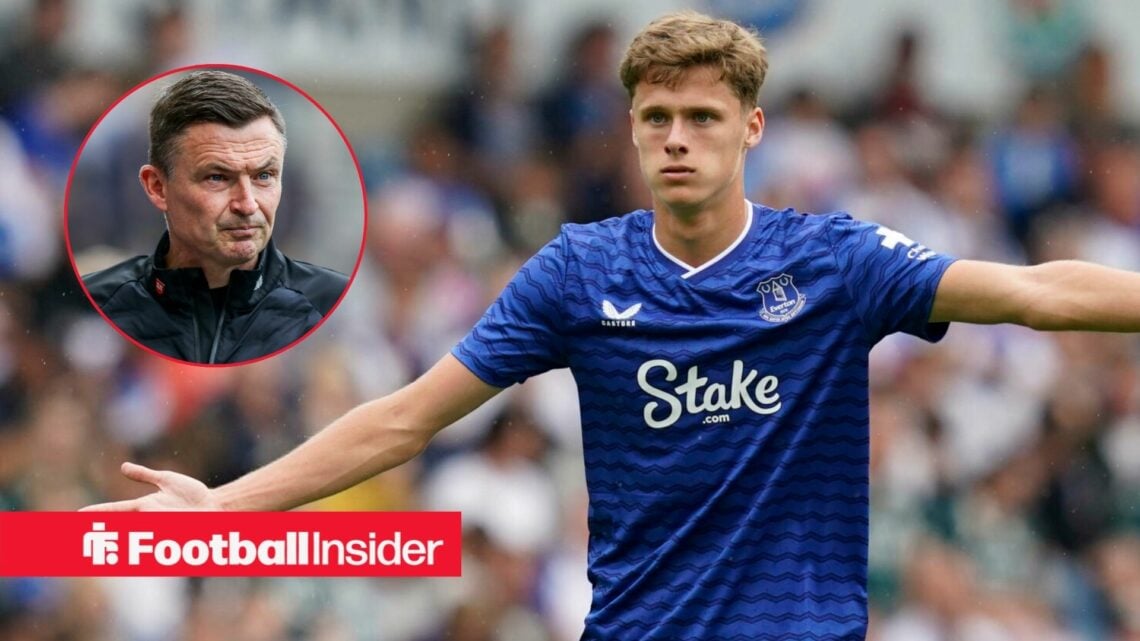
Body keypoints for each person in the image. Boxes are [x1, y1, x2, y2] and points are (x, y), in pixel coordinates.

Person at [84, 11, 1140, 640]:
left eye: (703, 119)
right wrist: (225, 502)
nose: (677, 139)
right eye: (656, 119)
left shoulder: (836, 262)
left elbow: (1037, 291)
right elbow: (405, 419)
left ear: (751, 129)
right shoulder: (581, 271)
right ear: (631, 126)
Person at [81, 70, 348, 364]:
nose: (247, 205)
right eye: (218, 177)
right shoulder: (104, 299)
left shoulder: (326, 303)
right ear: (157, 187)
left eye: (264, 175)